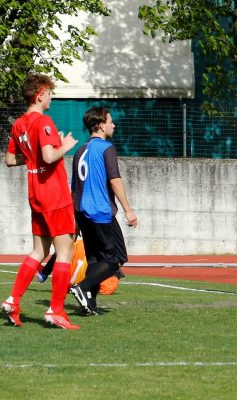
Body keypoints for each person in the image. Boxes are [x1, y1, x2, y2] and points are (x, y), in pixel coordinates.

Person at [1, 73, 80, 329]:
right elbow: (48, 156)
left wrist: (36, 156)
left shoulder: (19, 125)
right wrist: (65, 146)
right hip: (54, 195)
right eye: (49, 93)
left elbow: (11, 160)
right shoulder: (43, 121)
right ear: (40, 94)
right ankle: (56, 310)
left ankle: (13, 300)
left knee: (40, 251)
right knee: (65, 250)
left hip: (35, 194)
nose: (51, 98)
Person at [70, 107, 137, 315]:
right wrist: (128, 210)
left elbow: (75, 186)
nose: (113, 125)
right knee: (115, 258)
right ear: (101, 125)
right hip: (100, 211)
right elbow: (114, 180)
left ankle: (89, 304)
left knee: (95, 258)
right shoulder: (106, 148)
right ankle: (81, 287)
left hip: (81, 211)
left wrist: (74, 218)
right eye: (110, 121)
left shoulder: (80, 151)